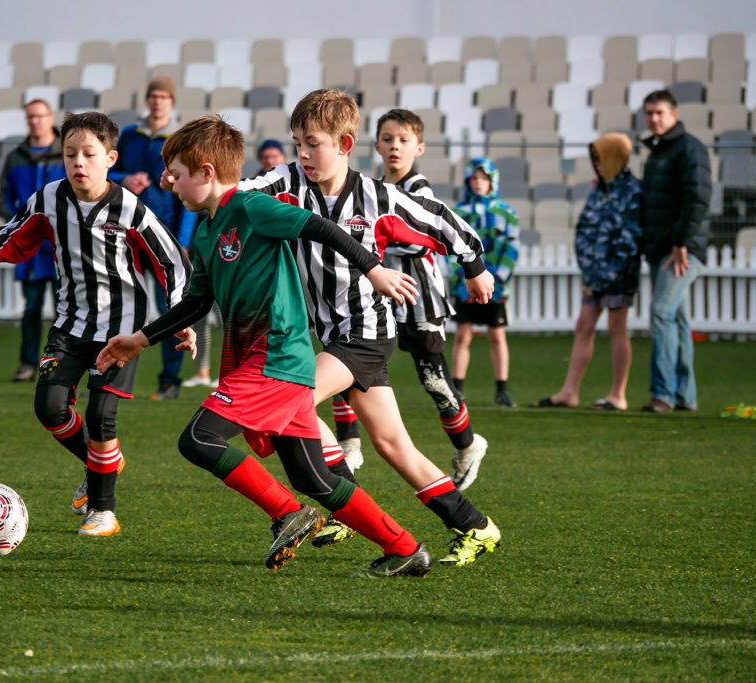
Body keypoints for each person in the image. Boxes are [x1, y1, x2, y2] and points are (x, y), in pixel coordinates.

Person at [99, 114, 436, 577]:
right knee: (312, 477)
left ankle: (286, 512)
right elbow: (196, 301)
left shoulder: (251, 207)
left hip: (274, 356)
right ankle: (405, 548)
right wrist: (139, 340)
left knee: (199, 439)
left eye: (176, 174)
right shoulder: (206, 231)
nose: (169, 183)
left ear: (206, 172)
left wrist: (374, 269)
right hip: (269, 364)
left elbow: (321, 227)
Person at [232, 90, 501, 563]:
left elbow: (438, 219)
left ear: (344, 144)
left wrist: (475, 265)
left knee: (291, 398)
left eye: (313, 144)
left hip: (368, 332)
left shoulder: (378, 198)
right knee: (393, 444)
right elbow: (239, 194)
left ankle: (341, 502)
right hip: (333, 336)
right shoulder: (287, 183)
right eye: (298, 144)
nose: (303, 154)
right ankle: (476, 526)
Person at [0, 112, 190, 537]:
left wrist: (179, 314)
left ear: (110, 159)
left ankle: (103, 512)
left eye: (88, 154)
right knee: (49, 408)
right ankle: (100, 461)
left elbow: (172, 262)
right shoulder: (49, 198)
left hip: (121, 329)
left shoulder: (130, 208)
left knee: (101, 414)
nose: (78, 162)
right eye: (70, 154)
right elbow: (13, 235)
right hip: (70, 324)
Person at [329, 109, 492, 480]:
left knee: (433, 379)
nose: (395, 147)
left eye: (403, 140)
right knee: (346, 362)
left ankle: (468, 445)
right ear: (376, 145)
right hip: (374, 297)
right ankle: (349, 446)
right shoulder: (369, 190)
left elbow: (418, 242)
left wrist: (369, 239)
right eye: (388, 139)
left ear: (419, 148)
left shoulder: (419, 190)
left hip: (420, 299)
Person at [534, 133, 642, 411]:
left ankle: (618, 395)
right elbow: (585, 227)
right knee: (583, 326)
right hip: (593, 274)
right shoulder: (599, 188)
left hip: (618, 274)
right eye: (595, 159)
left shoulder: (633, 190)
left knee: (617, 328)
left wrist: (612, 272)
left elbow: (631, 238)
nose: (597, 164)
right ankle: (569, 392)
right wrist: (589, 266)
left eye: (600, 158)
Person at [110, 76, 197, 401]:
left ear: (171, 102)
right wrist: (124, 178)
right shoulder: (129, 136)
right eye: (153, 96)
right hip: (127, 235)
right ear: (147, 100)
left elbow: (189, 190)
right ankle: (110, 373)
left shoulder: (179, 139)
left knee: (170, 309)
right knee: (121, 306)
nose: (158, 101)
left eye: (164, 96)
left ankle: (169, 380)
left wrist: (183, 241)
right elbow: (105, 171)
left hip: (166, 238)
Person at [639, 89, 711, 413]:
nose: (654, 118)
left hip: (681, 249)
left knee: (661, 313)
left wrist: (681, 242)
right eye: (649, 113)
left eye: (660, 112)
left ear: (674, 114)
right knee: (677, 319)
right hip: (662, 248)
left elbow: (698, 198)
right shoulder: (659, 151)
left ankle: (663, 394)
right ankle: (684, 397)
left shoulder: (689, 148)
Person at [0, 98, 65, 382]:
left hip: (62, 245)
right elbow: (3, 201)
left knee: (66, 310)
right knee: (32, 308)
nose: (35, 121)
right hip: (30, 248)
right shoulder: (15, 157)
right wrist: (22, 224)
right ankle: (27, 364)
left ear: (50, 117)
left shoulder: (67, 153)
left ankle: (62, 365)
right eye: (30, 117)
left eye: (40, 116)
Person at [450, 158, 521, 407]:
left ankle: (502, 390)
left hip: (496, 288)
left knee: (497, 336)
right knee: (462, 336)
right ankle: (456, 390)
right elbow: (450, 251)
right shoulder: (458, 213)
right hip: (465, 286)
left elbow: (511, 250)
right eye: (474, 178)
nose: (479, 183)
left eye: (484, 178)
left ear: (493, 181)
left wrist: (496, 282)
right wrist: (464, 282)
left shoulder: (507, 214)